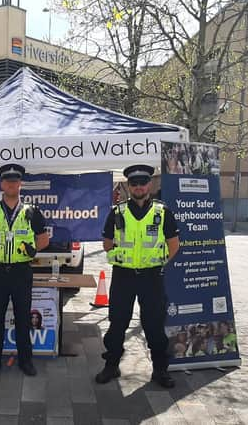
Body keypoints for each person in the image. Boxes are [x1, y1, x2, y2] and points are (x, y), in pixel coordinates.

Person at [97, 164, 180, 388]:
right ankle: (111, 365)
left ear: (149, 185)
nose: (139, 187)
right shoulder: (117, 212)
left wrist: (159, 262)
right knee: (117, 324)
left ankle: (160, 370)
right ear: (128, 186)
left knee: (154, 325)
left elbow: (174, 244)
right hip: (123, 276)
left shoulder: (162, 212)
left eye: (143, 183)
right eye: (134, 184)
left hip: (151, 277)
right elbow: (106, 244)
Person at [0, 163, 49, 376]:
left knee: (23, 317)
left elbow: (43, 240)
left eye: (15, 181)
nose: (11, 184)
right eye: (8, 181)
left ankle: (26, 361)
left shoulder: (31, 211)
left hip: (20, 272)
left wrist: (32, 249)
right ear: (2, 184)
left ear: (20, 184)